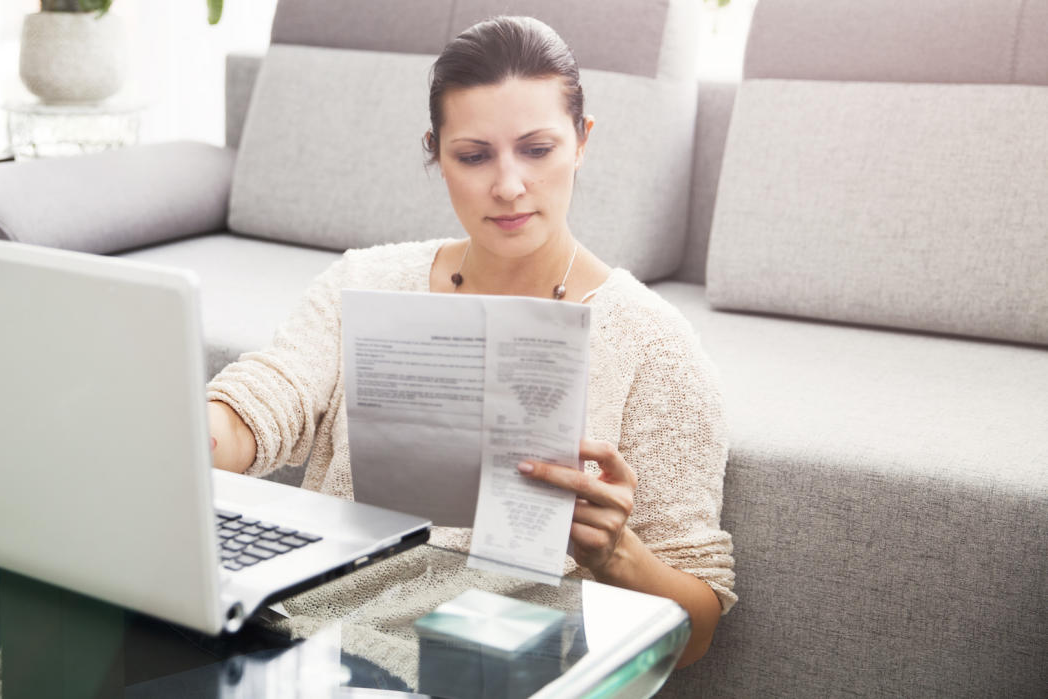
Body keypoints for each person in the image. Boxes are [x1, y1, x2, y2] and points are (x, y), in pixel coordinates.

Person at [205, 15, 734, 670]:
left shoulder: (654, 344)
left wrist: (616, 551)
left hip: (495, 669)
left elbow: (700, 627)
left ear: (581, 140)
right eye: (474, 155)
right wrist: (201, 432)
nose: (508, 185)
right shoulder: (367, 280)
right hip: (311, 650)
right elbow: (269, 397)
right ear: (436, 151)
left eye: (537, 149)